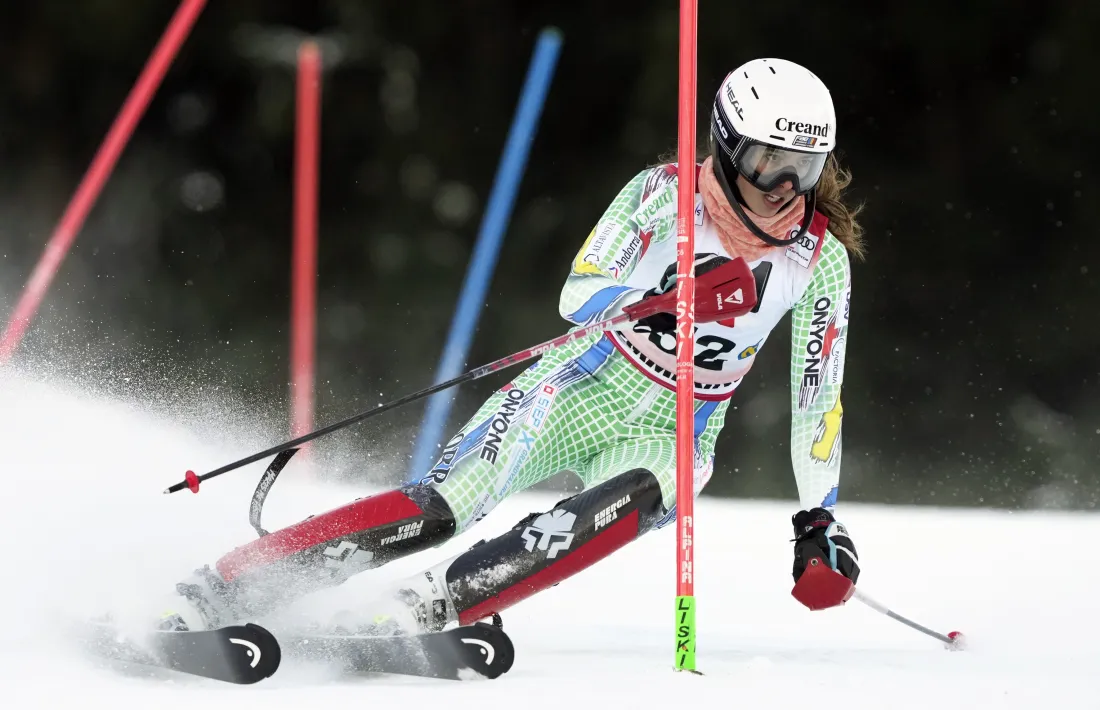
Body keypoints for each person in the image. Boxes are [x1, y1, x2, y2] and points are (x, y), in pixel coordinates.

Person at [164, 57, 865, 636]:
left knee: (648, 493)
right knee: (442, 508)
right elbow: (579, 289)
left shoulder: (818, 257)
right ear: (728, 143)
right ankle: (226, 586)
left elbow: (817, 400)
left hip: (677, 424)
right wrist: (654, 306)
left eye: (803, 168)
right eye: (769, 160)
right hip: (583, 385)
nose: (784, 187)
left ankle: (427, 607)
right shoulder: (663, 196)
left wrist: (818, 517)